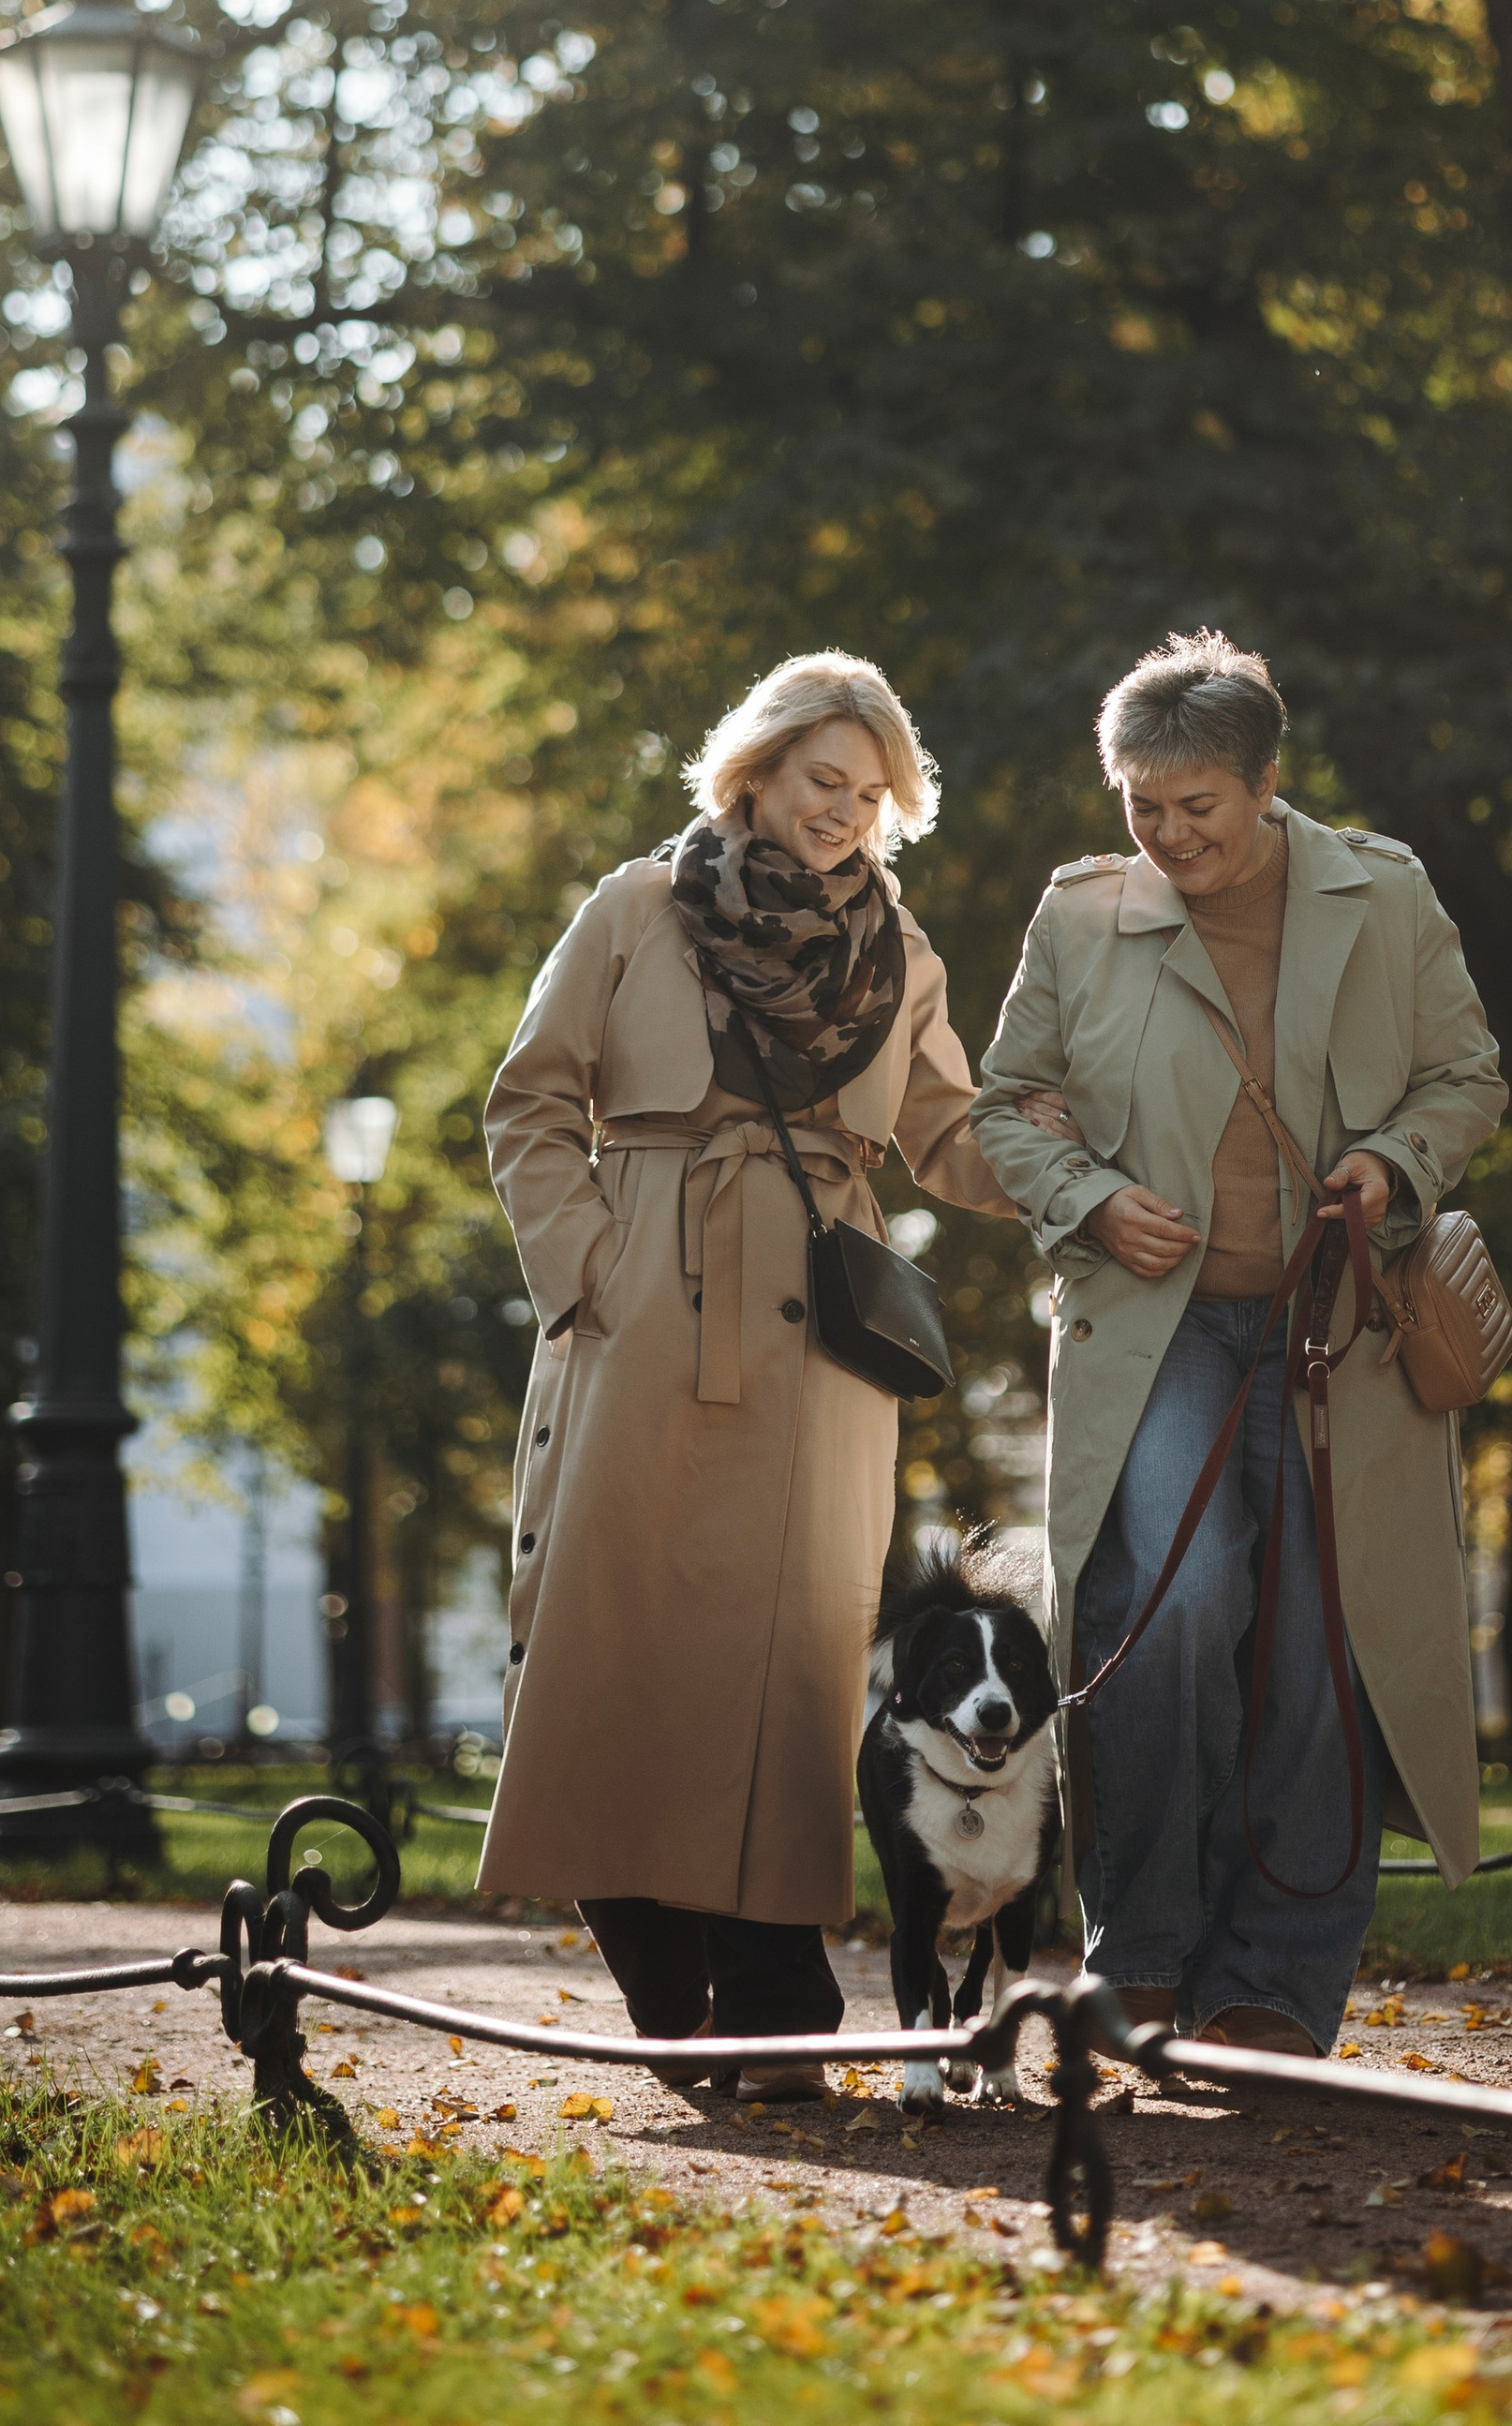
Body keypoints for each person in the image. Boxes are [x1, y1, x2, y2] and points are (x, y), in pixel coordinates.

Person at [474, 651, 1012, 2098]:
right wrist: (591, 1272)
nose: (843, 810)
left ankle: (776, 2006)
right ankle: (667, 1999)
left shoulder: (899, 952)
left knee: (792, 1675)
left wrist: (1084, 1167)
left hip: (815, 1351)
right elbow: (529, 1101)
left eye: (870, 790)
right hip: (644, 1310)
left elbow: (955, 1132)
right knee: (619, 1656)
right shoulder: (637, 909)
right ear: (757, 771)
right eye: (821, 779)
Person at [972, 629, 1506, 2055]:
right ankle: (1139, 1950)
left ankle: (1275, 1979)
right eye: (1140, 804)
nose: (1166, 834)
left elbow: (1468, 1074)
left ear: (1267, 784)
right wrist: (1090, 1201)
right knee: (1172, 1605)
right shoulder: (1084, 917)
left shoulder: (1381, 895)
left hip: (1344, 1333)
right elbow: (1004, 1104)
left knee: (1323, 1643)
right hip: (1160, 1334)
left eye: (1195, 805)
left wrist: (1393, 1161)